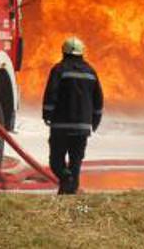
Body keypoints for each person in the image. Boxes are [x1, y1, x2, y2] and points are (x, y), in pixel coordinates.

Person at [42, 36, 104, 194]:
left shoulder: (59, 69)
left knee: (56, 162)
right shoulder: (91, 71)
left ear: (64, 52)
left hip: (60, 126)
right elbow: (98, 99)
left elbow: (51, 94)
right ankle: (69, 192)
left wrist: (47, 114)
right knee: (75, 162)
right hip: (82, 127)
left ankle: (66, 180)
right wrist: (95, 121)